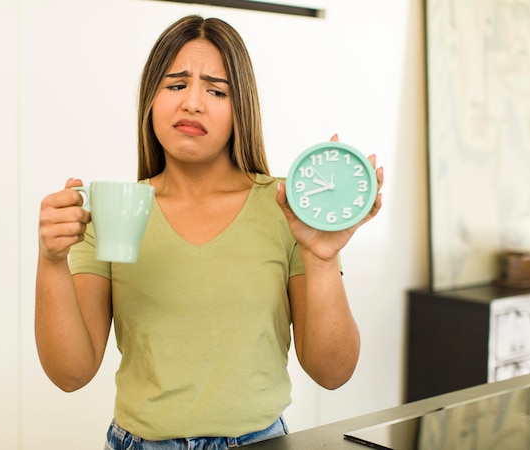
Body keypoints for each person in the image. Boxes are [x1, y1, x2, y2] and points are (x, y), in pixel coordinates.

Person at [35, 14, 383, 450]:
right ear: (150, 100)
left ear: (242, 109)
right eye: (176, 85)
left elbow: (333, 373)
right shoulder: (111, 212)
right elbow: (71, 374)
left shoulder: (287, 206)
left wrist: (322, 258)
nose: (193, 103)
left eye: (216, 90)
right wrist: (50, 261)